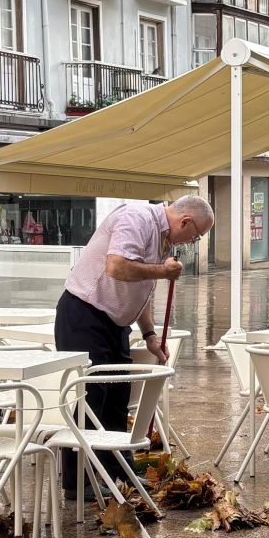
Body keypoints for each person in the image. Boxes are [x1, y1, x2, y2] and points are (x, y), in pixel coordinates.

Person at [55, 194, 214, 507]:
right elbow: (117, 267)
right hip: (85, 315)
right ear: (185, 221)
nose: (192, 242)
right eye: (196, 236)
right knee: (90, 398)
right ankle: (77, 482)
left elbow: (140, 291)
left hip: (113, 324)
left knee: (117, 396)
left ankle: (117, 470)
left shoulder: (161, 239)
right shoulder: (136, 219)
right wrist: (161, 271)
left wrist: (150, 334)